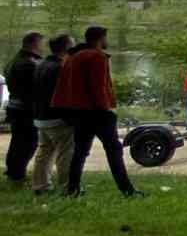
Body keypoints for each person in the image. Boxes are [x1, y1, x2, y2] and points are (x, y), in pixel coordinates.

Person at [53, 26, 141, 197]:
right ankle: (127, 190)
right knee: (114, 149)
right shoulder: (96, 56)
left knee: (80, 151)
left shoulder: (72, 57)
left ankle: (72, 189)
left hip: (78, 112)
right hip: (96, 112)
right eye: (105, 38)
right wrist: (106, 108)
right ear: (100, 38)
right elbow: (98, 87)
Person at [30, 34, 74, 196]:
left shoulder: (41, 65)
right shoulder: (60, 68)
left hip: (41, 117)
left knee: (44, 152)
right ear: (67, 47)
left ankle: (40, 185)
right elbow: (64, 95)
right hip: (58, 118)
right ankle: (67, 188)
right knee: (65, 154)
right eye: (72, 45)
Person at [4, 32, 43, 183]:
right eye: (41, 43)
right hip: (25, 109)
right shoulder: (28, 63)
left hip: (15, 106)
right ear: (34, 44)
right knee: (29, 142)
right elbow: (35, 88)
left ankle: (13, 170)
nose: (42, 47)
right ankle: (18, 173)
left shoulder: (13, 60)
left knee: (17, 141)